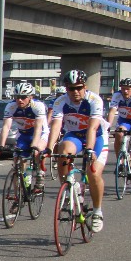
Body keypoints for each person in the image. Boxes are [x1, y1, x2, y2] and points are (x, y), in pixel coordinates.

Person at [47, 70, 107, 232]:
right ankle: (68, 188)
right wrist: (49, 147)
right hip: (74, 135)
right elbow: (56, 126)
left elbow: (93, 128)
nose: (75, 92)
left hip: (96, 137)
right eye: (71, 88)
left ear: (85, 87)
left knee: (93, 173)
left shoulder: (94, 100)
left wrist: (89, 150)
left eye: (79, 87)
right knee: (63, 151)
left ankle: (97, 211)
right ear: (66, 89)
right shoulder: (61, 101)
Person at [0, 82, 49, 190]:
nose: (19, 100)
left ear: (30, 97)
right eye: (17, 97)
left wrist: (34, 146)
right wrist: (1, 145)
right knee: (17, 161)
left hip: (40, 133)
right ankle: (19, 194)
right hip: (24, 134)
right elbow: (6, 126)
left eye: (23, 97)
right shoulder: (11, 106)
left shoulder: (38, 106)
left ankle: (39, 173)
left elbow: (38, 128)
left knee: (37, 152)